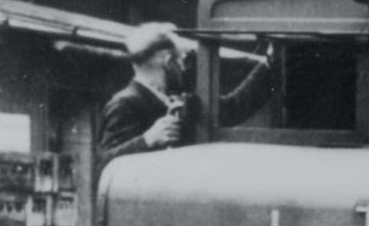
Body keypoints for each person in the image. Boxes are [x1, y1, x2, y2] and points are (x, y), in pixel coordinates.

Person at [99, 23, 273, 171]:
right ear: (168, 62)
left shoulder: (179, 98)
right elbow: (104, 165)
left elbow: (234, 109)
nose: (183, 68)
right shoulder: (124, 104)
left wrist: (268, 65)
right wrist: (147, 140)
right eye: (181, 61)